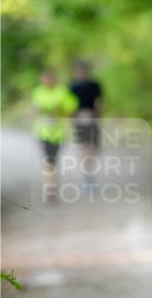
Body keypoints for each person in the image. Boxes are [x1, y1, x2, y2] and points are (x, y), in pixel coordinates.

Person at [31, 70, 78, 202]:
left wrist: (60, 111)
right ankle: (49, 188)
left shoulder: (62, 91)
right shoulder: (37, 92)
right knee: (48, 160)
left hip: (58, 133)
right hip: (42, 132)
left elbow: (71, 109)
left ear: (53, 79)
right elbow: (34, 111)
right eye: (44, 79)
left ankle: (51, 185)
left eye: (49, 78)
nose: (47, 81)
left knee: (52, 161)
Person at [69, 59, 103, 188]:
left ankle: (89, 171)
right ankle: (88, 176)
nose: (82, 72)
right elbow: (69, 105)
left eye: (83, 70)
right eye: (79, 70)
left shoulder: (94, 85)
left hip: (92, 117)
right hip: (79, 118)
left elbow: (100, 101)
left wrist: (97, 113)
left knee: (93, 148)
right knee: (83, 147)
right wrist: (72, 119)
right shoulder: (72, 86)